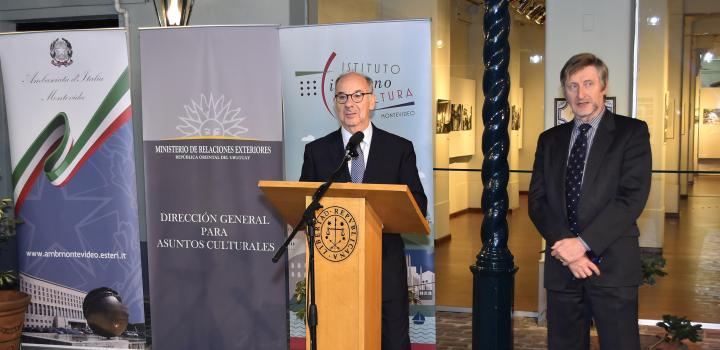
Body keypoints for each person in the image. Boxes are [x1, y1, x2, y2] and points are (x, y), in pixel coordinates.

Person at [528, 53, 652, 350]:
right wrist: (568, 250)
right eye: (572, 86)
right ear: (565, 92)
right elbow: (537, 201)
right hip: (563, 269)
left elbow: (630, 198)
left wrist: (582, 244)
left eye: (588, 83)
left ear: (603, 86)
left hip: (613, 266)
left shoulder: (631, 133)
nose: (580, 93)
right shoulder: (550, 140)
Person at [300, 71, 427, 350]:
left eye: (358, 95)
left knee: (391, 341)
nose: (350, 103)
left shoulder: (399, 149)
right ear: (335, 103)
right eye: (342, 96)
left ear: (372, 101)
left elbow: (418, 203)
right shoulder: (317, 152)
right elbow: (304, 206)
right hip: (334, 270)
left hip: (385, 268)